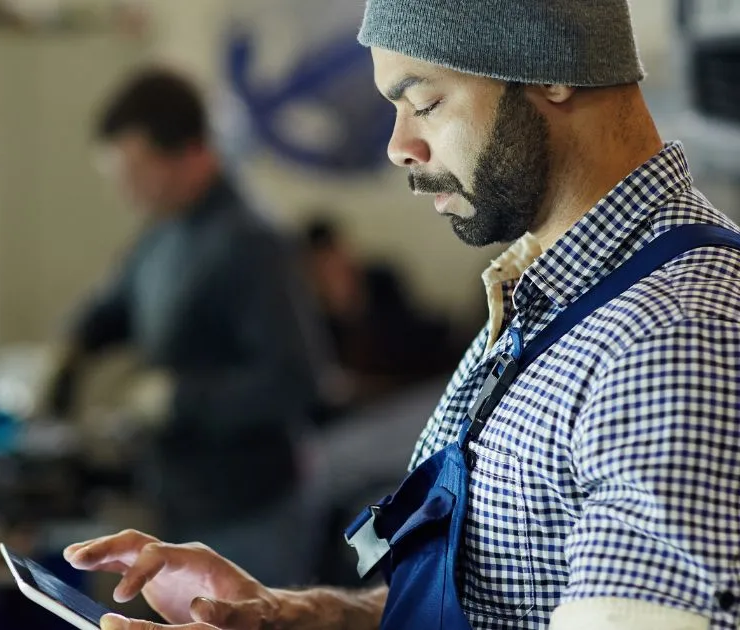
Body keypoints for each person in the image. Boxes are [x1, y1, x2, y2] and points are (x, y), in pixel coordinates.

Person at [61, 2, 740, 629]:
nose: (400, 146)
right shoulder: (549, 296)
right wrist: (296, 615)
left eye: (425, 101)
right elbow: (492, 600)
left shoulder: (669, 339)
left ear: (551, 67)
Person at [44, 67, 328, 587]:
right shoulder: (165, 229)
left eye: (135, 172)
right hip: (182, 504)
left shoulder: (251, 243)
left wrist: (180, 401)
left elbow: (295, 381)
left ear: (191, 152)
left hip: (249, 515)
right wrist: (71, 346)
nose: (125, 191)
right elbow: (115, 305)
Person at [301, 216, 461, 410]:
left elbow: (409, 334)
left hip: (416, 379)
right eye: (324, 264)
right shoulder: (311, 318)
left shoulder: (380, 281)